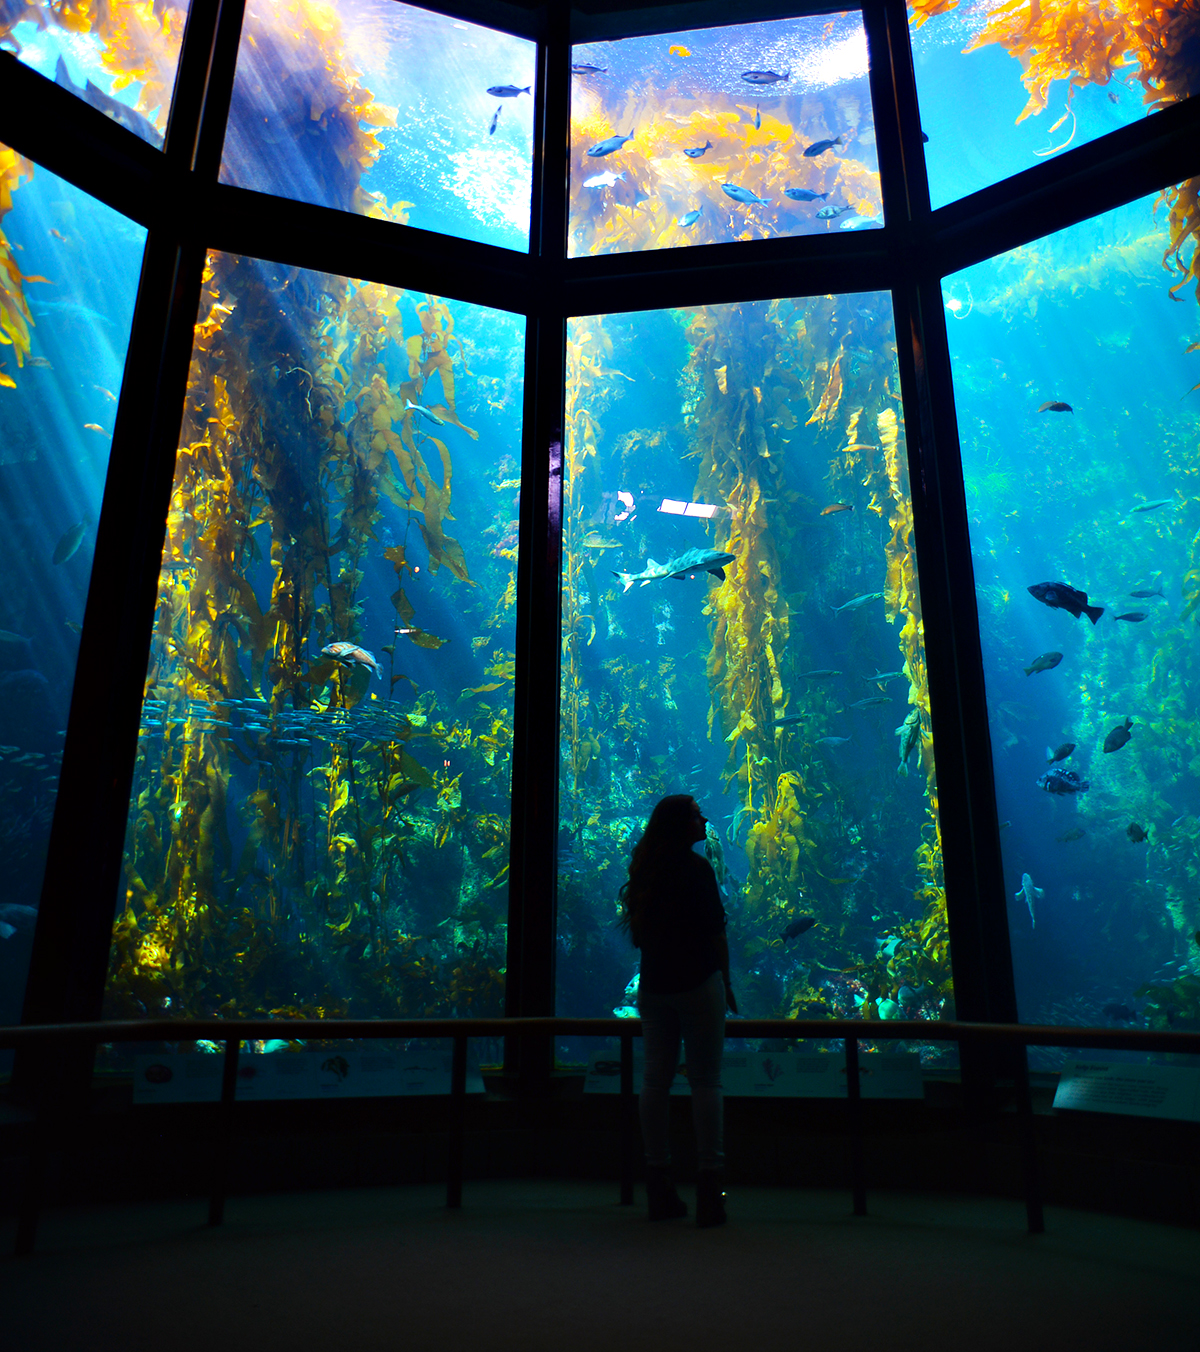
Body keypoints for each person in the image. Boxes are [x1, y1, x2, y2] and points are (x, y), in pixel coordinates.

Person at [618, 794, 737, 1227]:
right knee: (706, 1081)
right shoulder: (698, 869)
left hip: (654, 986)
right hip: (698, 982)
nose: (703, 818)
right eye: (694, 814)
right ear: (681, 825)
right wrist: (726, 983)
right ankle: (710, 1186)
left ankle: (658, 1183)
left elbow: (640, 936)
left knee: (655, 1079)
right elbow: (716, 933)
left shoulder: (647, 869)